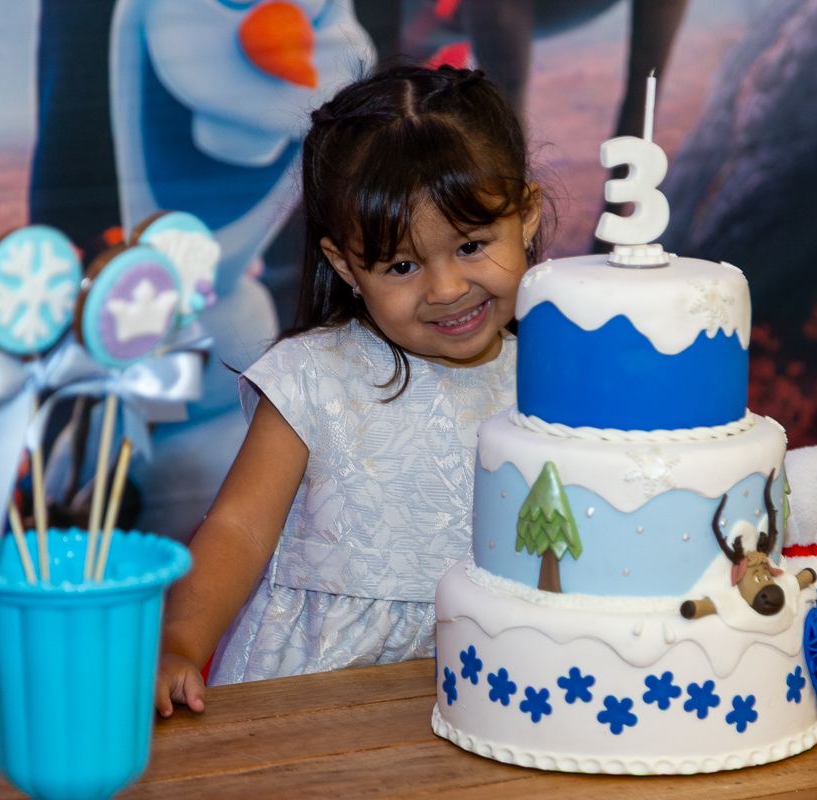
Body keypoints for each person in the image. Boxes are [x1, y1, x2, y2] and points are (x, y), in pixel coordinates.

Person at [155, 64, 548, 715]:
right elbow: (239, 527)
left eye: (473, 246)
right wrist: (177, 643)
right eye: (402, 265)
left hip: (499, 684)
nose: (447, 288)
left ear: (525, 219)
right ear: (346, 265)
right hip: (317, 692)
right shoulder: (312, 377)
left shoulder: (554, 379)